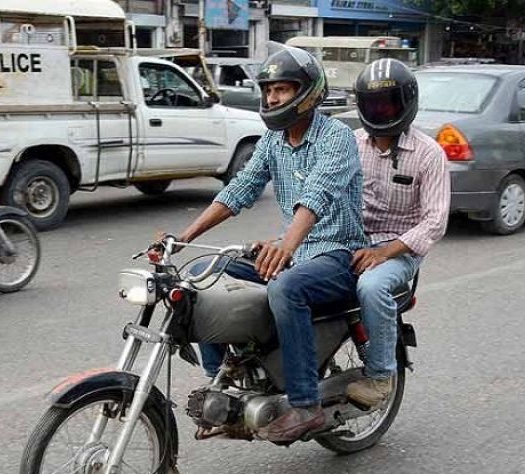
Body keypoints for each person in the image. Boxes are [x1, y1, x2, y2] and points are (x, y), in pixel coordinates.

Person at [168, 45, 366, 443]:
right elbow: (239, 190)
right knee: (199, 277)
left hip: (337, 253)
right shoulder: (273, 141)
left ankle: (306, 404)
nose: (273, 98)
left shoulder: (337, 137)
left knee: (286, 287)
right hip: (291, 248)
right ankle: (222, 385)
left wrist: (287, 246)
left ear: (308, 93)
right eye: (269, 90)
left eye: (283, 89)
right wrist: (184, 238)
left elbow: (317, 196)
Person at [345, 58, 450, 408]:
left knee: (371, 286)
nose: (378, 111)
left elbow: (435, 222)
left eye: (386, 103)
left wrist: (384, 253)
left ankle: (380, 375)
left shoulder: (429, 154)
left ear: (405, 103)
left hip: (399, 250)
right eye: (371, 103)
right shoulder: (351, 143)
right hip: (351, 240)